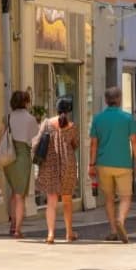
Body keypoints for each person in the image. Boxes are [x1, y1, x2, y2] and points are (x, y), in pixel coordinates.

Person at [88, 87, 136, 243]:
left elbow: (93, 144)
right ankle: (121, 220)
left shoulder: (98, 119)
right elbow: (135, 142)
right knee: (126, 197)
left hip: (103, 163)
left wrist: (91, 164)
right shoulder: (127, 118)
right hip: (123, 164)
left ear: (106, 100)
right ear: (119, 99)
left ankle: (113, 230)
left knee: (109, 198)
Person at [34, 96, 81, 245]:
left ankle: (50, 234)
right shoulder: (72, 126)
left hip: (49, 165)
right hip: (68, 166)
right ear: (69, 111)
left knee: (51, 202)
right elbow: (75, 145)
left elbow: (36, 142)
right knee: (67, 200)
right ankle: (69, 233)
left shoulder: (46, 123)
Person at [1, 90, 38, 238]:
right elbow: (34, 139)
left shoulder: (8, 117)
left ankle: (12, 224)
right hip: (22, 156)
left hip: (8, 157)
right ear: (26, 102)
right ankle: (17, 229)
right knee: (20, 195)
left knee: (13, 193)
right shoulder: (30, 119)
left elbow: (0, 136)